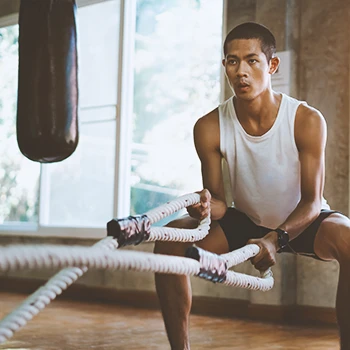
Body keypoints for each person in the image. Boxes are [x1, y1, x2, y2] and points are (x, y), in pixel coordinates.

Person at [154, 22, 350, 350]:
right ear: (224, 66)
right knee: (169, 244)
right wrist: (204, 205)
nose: (241, 71)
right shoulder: (208, 127)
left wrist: (275, 239)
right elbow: (218, 203)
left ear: (272, 65)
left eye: (252, 61)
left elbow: (312, 202)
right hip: (246, 221)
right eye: (232, 61)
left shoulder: (306, 120)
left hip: (302, 220)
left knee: (349, 239)